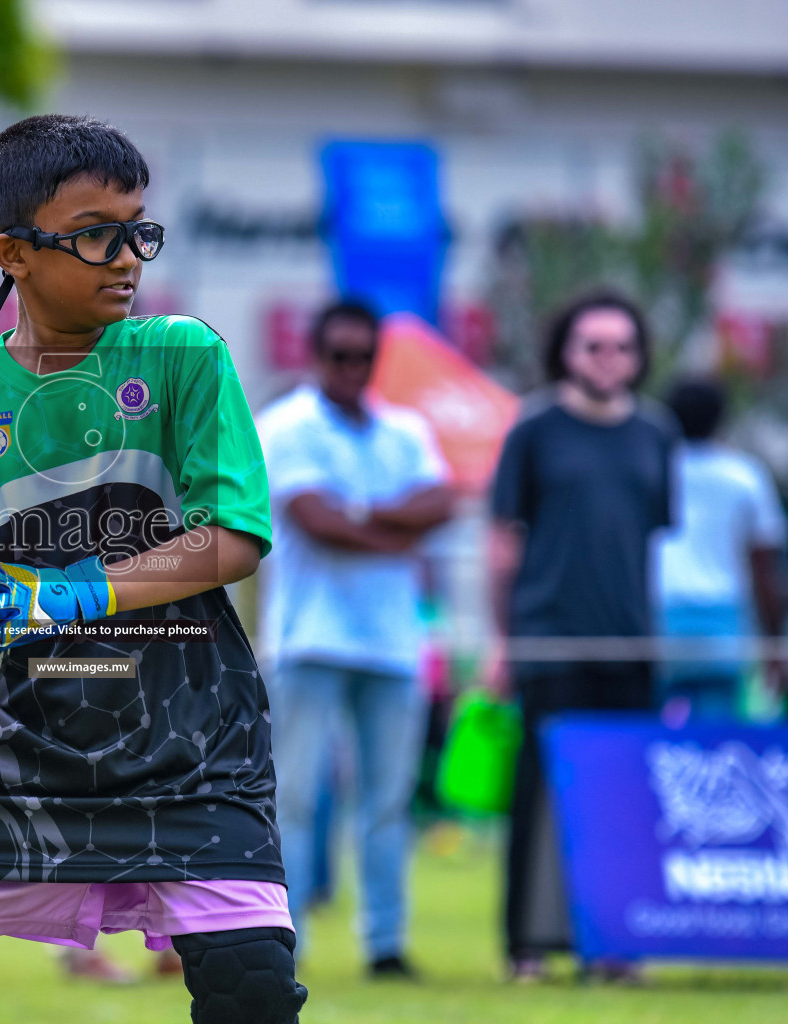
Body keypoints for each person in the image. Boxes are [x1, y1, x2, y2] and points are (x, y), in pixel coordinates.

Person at [0, 114, 306, 1024]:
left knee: (255, 996)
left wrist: (60, 592)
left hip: (192, 750)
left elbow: (235, 535)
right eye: (94, 234)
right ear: (13, 252)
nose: (127, 257)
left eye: (138, 229)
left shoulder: (187, 357)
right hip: (6, 760)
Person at [257, 300, 454, 978]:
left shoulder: (405, 428)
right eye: (339, 355)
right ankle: (286, 941)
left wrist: (362, 516)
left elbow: (443, 504)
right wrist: (394, 528)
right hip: (309, 637)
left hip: (393, 641)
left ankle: (385, 944)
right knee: (297, 798)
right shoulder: (285, 426)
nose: (351, 368)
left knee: (390, 801)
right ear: (316, 355)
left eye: (363, 356)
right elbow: (315, 521)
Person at [488, 289, 676, 982]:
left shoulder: (656, 433)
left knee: (622, 801)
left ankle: (615, 948)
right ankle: (527, 948)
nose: (609, 358)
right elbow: (504, 544)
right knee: (540, 799)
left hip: (629, 644)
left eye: (623, 346)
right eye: (593, 344)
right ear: (565, 351)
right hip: (549, 641)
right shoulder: (534, 431)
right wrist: (504, 640)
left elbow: (652, 542)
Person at [657, 379, 788, 722]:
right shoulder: (744, 475)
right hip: (722, 620)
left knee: (649, 737)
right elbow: (764, 566)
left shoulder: (654, 470)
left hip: (660, 614)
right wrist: (774, 645)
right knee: (716, 738)